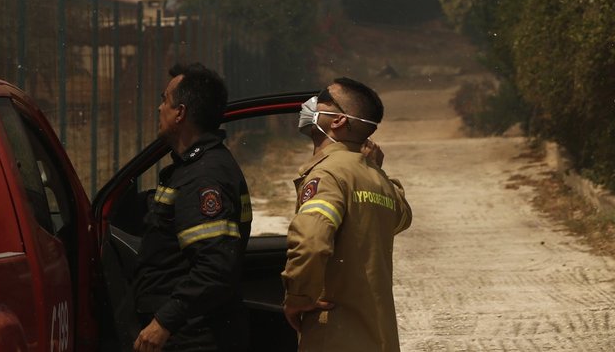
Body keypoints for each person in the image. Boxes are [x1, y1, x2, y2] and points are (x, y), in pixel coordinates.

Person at [282, 77, 412, 351]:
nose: (310, 103)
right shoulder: (376, 178)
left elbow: (311, 243)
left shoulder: (328, 174)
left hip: (336, 337)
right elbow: (402, 217)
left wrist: (298, 298)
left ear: (338, 120)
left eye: (321, 97)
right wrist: (378, 170)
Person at [131, 62, 252, 352]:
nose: (159, 108)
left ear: (181, 113)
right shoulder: (194, 170)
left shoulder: (204, 177)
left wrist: (164, 322)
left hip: (192, 336)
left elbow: (214, 267)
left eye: (164, 100)